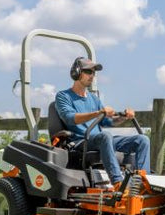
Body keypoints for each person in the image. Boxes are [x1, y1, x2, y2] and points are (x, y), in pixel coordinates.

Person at [54, 56, 151, 186]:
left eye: (94, 73)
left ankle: (145, 183)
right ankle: (118, 183)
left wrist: (124, 117)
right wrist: (99, 112)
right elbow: (70, 118)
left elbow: (107, 122)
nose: (92, 75)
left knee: (142, 140)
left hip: (102, 140)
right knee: (105, 136)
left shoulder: (94, 99)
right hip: (81, 141)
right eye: (88, 71)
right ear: (76, 72)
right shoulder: (63, 96)